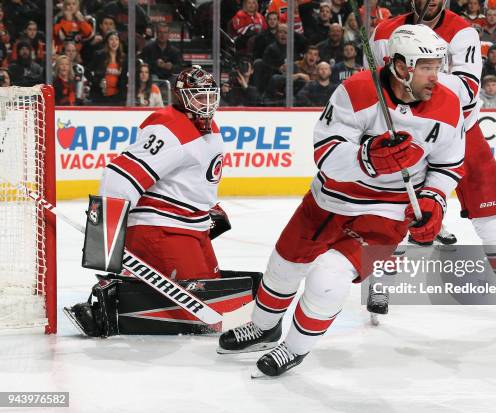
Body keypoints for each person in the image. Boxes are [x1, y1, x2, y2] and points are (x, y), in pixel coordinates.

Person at [218, 25, 465, 377]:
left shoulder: (448, 104)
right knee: (283, 266)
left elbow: (448, 165)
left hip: (387, 216)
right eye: (426, 67)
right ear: (400, 66)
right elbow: (325, 152)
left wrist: (434, 201)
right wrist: (367, 157)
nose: (434, 77)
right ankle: (263, 327)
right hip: (327, 201)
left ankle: (293, 348)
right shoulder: (356, 91)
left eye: (438, 67)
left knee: (327, 279)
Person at [369, 0, 496, 317]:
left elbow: (467, 90)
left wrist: (411, 71)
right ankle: (379, 287)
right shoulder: (384, 32)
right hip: (411, 133)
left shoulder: (462, 32)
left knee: (492, 217)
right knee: (393, 214)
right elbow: (378, 85)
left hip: (462, 131)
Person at [64, 66, 258, 337]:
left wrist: (206, 208)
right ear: (180, 96)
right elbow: (118, 178)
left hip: (188, 227)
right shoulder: (169, 130)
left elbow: (192, 176)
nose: (206, 102)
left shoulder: (205, 123)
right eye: (198, 96)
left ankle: (131, 286)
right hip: (160, 229)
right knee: (206, 314)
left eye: (210, 95)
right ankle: (106, 307)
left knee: (218, 298)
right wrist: (103, 244)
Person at [88, 31, 127, 105]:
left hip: (117, 98)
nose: (114, 42)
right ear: (107, 42)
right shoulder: (99, 55)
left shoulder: (123, 58)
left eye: (116, 39)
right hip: (99, 96)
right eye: (111, 39)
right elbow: (87, 71)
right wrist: (97, 82)